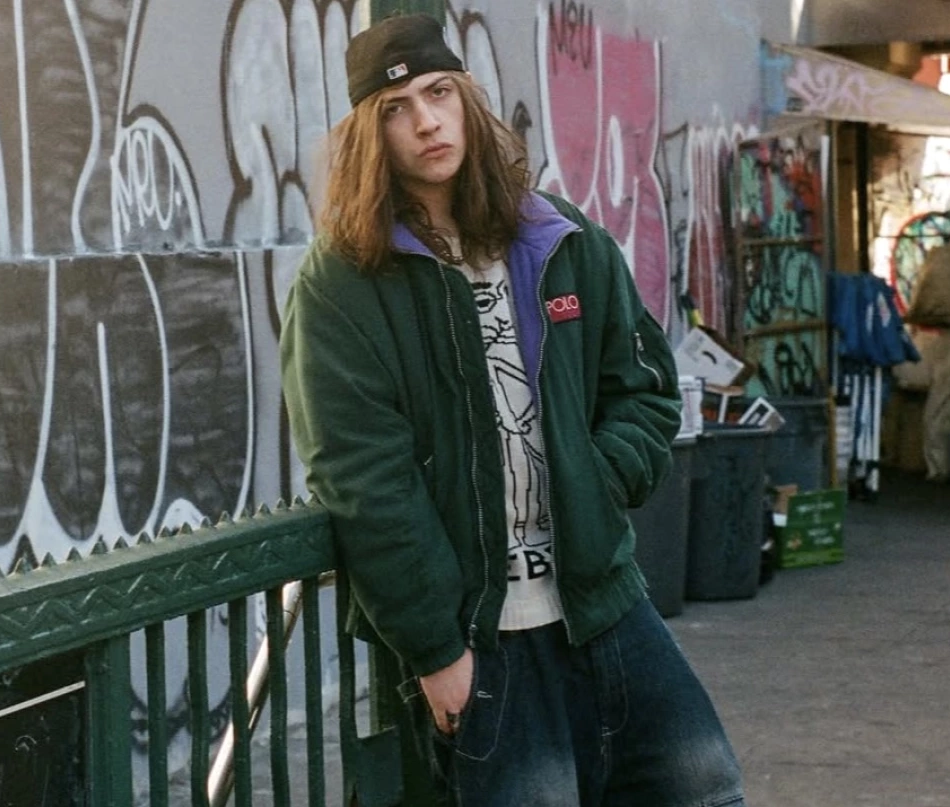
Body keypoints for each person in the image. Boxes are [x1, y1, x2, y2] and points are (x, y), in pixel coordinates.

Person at [280, 13, 747, 807]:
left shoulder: (560, 238)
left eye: (438, 93)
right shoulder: (344, 284)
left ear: (467, 99)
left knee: (705, 788)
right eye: (395, 110)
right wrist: (435, 650)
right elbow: (362, 475)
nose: (426, 121)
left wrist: (593, 480)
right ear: (369, 134)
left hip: (604, 603)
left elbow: (644, 386)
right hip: (479, 635)